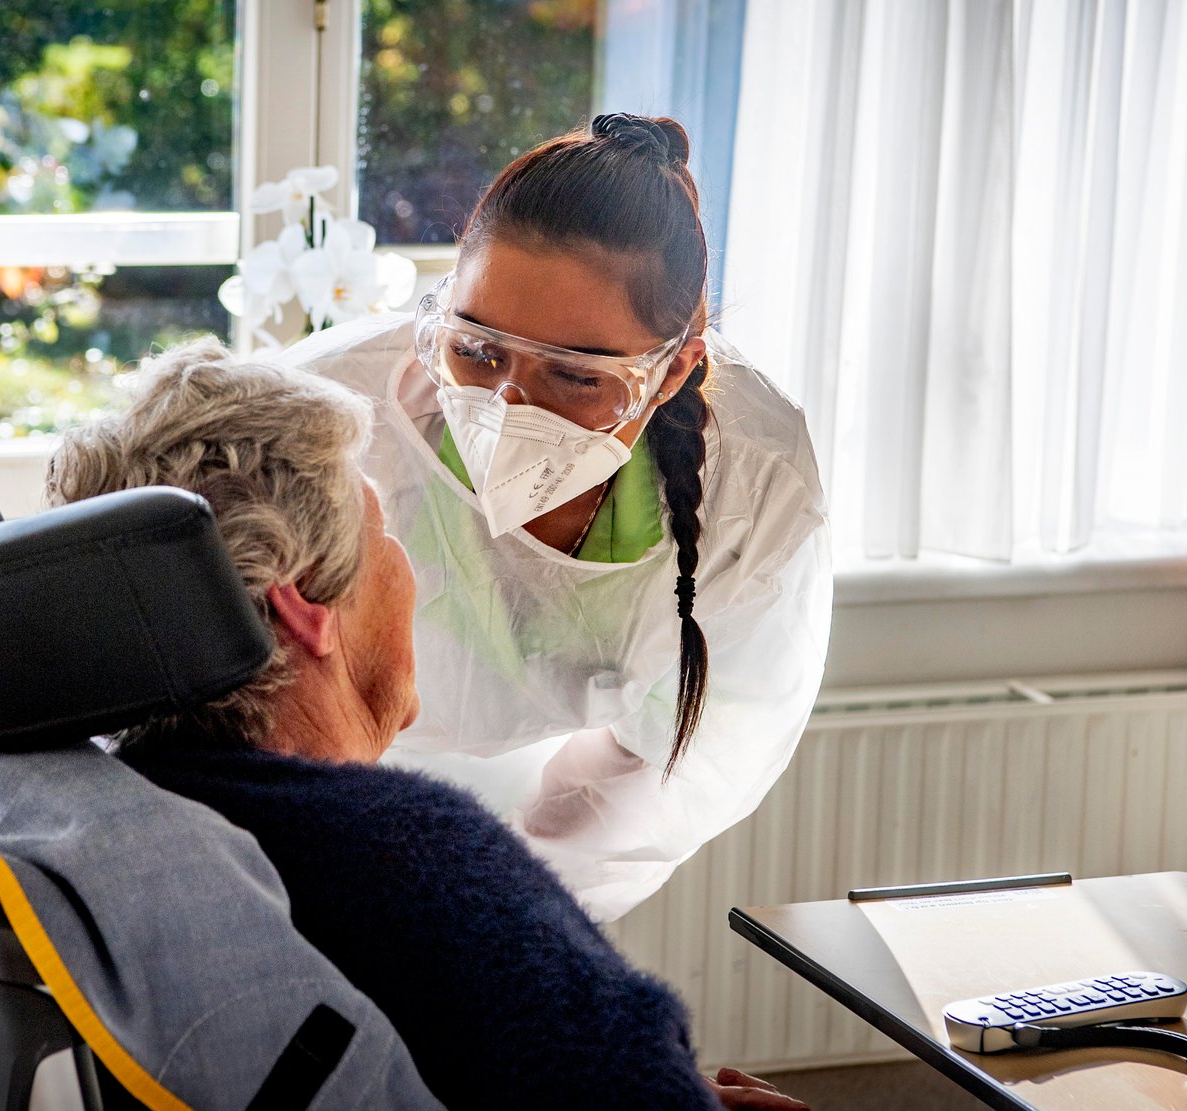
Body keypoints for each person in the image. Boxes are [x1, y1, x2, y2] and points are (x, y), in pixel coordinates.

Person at [48, 338, 835, 1111]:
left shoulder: (117, 824)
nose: (407, 565)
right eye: (381, 529)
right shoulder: (417, 864)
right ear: (304, 604)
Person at [275, 113, 833, 920]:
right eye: (476, 349)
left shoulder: (753, 479)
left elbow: (680, 766)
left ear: (675, 366)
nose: (506, 406)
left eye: (575, 378)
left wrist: (505, 909)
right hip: (316, 848)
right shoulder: (326, 417)